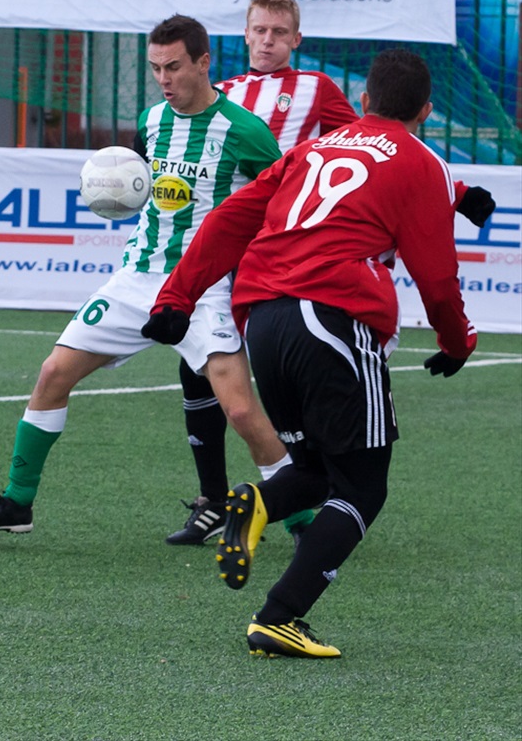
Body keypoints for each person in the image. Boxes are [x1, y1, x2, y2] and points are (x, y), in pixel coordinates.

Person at [142, 48, 478, 658]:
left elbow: (229, 220)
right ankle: (279, 615)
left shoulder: (313, 150)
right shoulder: (420, 161)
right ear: (426, 111)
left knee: (320, 471)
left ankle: (258, 505)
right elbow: (437, 275)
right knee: (365, 486)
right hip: (332, 319)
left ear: (367, 101)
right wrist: (458, 343)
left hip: (264, 320)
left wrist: (176, 297)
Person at [167, 0, 494, 547]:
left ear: (296, 39)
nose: (267, 40)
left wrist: (456, 192)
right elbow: (393, 147)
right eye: (259, 30)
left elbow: (374, 149)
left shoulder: (318, 90)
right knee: (203, 372)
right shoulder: (223, 94)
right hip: (267, 259)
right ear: (244, 35)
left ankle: (275, 509)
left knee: (254, 398)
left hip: (281, 257)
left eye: (278, 32)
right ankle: (221, 500)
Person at [0, 13, 291, 536]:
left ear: (203, 63)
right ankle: (18, 503)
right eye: (155, 68)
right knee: (52, 374)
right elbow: (141, 178)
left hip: (204, 291)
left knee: (244, 414)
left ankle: (306, 517)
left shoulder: (245, 131)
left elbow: (282, 207)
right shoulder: (152, 120)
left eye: (174, 67)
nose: (164, 78)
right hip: (136, 279)